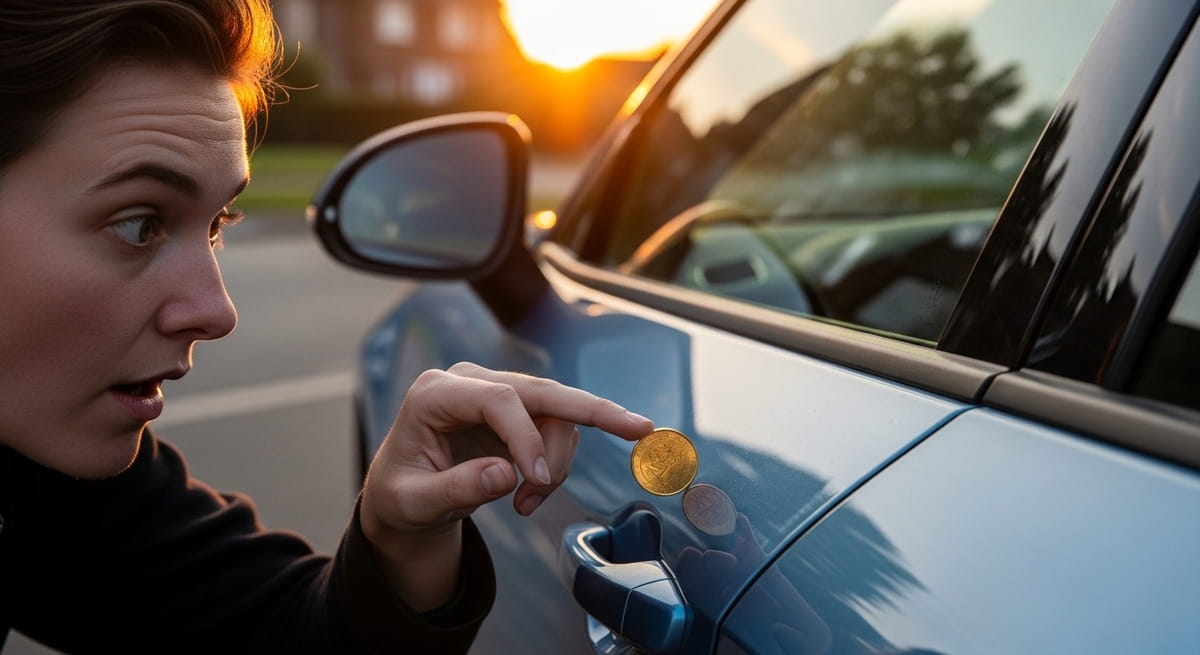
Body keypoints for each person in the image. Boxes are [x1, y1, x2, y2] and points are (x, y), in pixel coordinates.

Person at [0, 1, 653, 652]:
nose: (217, 311)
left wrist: (401, 535)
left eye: (217, 224)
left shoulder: (46, 481)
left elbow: (281, 631)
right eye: (140, 223)